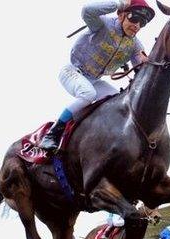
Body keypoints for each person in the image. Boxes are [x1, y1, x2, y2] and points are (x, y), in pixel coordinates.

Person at [38, 0, 155, 153]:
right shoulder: (102, 24)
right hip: (73, 72)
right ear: (121, 15)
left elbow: (142, 68)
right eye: (134, 18)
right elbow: (87, 10)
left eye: (143, 23)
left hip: (94, 80)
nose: (137, 25)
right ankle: (52, 134)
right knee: (88, 94)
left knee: (118, 101)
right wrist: (119, 3)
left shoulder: (135, 45)